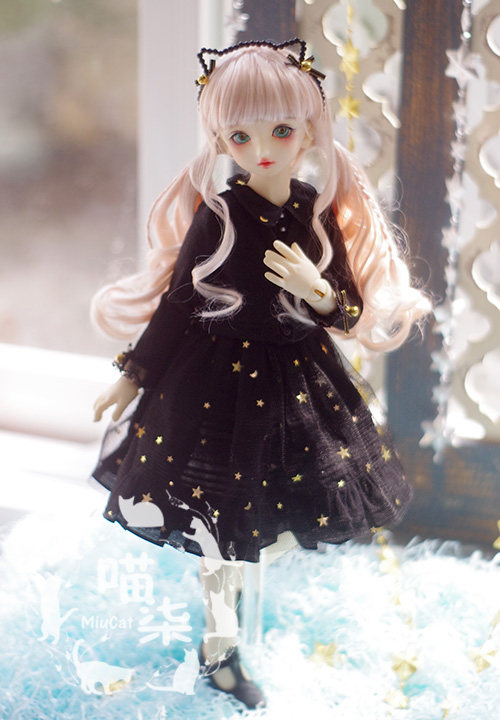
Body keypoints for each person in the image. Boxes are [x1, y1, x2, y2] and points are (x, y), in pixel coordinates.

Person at [90, 38, 432, 710]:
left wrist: (317, 289)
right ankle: (220, 650)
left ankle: (240, 624)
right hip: (212, 387)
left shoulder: (314, 213)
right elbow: (179, 303)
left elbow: (347, 310)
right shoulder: (218, 215)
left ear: (308, 131)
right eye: (241, 136)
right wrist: (133, 373)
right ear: (222, 140)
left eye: (280, 130)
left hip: (296, 385)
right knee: (217, 531)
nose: (263, 148)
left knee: (270, 521)